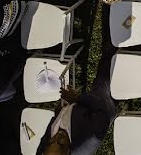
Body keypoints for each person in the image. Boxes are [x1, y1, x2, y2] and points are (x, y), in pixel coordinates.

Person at [36, 11, 119, 155]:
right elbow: (103, 112)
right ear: (68, 151)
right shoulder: (91, 138)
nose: (56, 137)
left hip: (75, 108)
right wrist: (78, 98)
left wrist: (62, 110)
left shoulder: (47, 148)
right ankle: (120, 20)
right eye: (60, 141)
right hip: (102, 103)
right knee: (108, 63)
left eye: (51, 141)